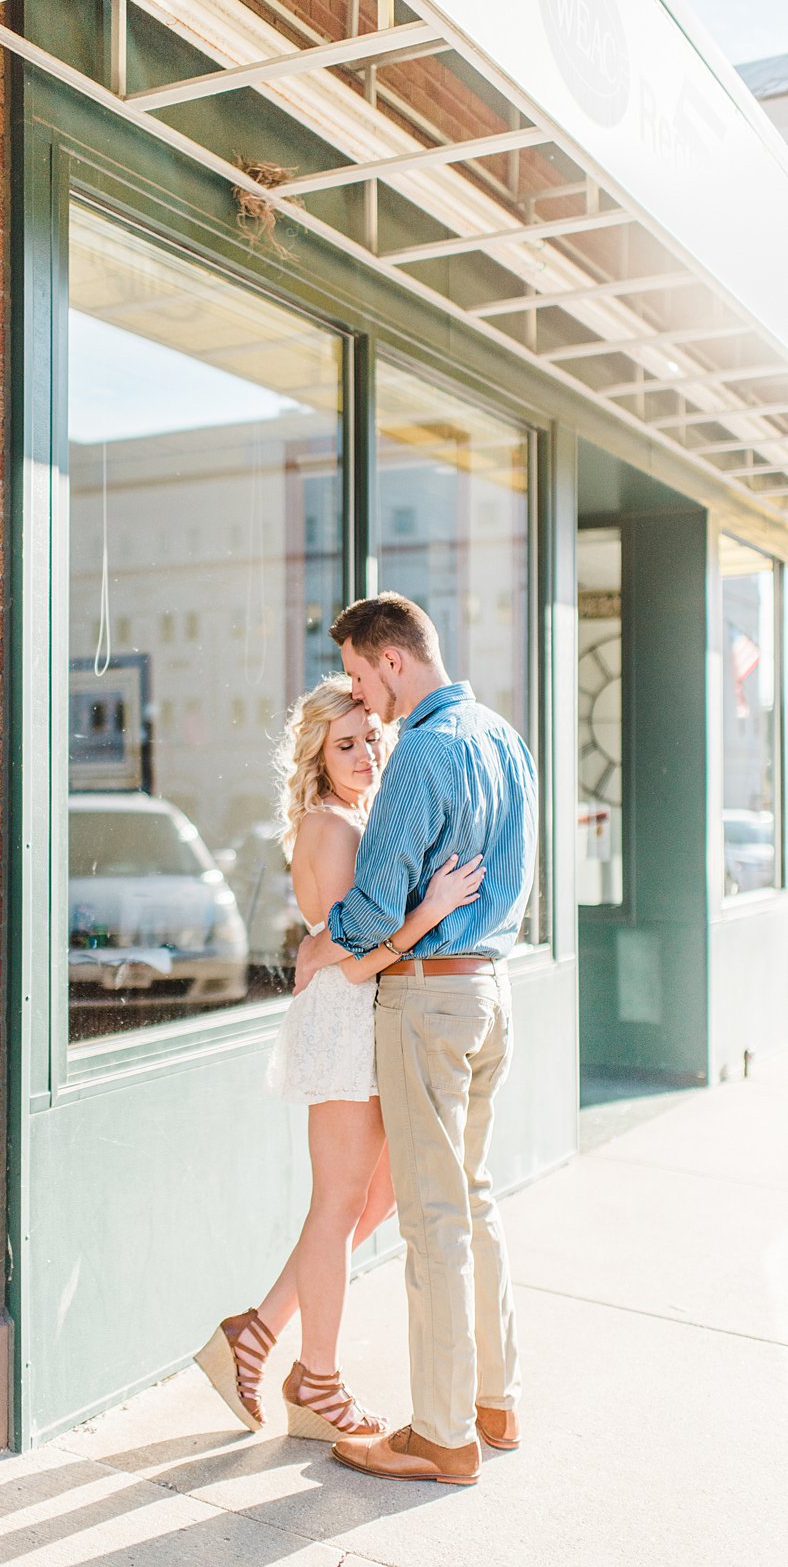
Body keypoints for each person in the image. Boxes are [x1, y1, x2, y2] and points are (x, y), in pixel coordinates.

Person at [195, 674, 485, 1442]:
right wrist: (431, 908)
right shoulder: (333, 826)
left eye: (371, 739)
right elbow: (354, 958)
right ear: (318, 757)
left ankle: (255, 1332)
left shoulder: (360, 816)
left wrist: (329, 944)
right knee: (337, 1207)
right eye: (346, 744)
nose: (365, 754)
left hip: (366, 1009)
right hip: (349, 1018)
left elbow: (339, 942)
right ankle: (316, 1379)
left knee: (376, 1198)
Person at [295, 593, 537, 1486]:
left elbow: (371, 906)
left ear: (391, 661)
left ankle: (440, 1436)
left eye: (360, 674)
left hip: (428, 997)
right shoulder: (503, 737)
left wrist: (325, 941)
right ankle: (494, 1402)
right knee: (472, 1200)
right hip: (492, 989)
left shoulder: (424, 753)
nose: (362, 693)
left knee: (434, 1216)